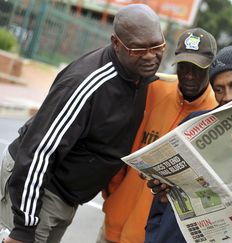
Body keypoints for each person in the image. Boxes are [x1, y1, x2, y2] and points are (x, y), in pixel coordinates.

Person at [0, 4, 165, 243]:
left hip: (65, 196)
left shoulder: (138, 75)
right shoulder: (87, 85)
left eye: (157, 46)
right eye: (138, 49)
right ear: (116, 43)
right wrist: (23, 227)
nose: (150, 55)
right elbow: (39, 152)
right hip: (36, 189)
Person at [98, 27, 218, 243]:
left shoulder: (216, 112)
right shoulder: (154, 89)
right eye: (184, 66)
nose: (189, 75)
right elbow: (122, 142)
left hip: (150, 236)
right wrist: (113, 195)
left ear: (211, 67)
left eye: (198, 68)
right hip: (111, 228)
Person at [145, 44, 232, 243]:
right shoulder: (193, 122)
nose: (228, 97)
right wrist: (161, 191)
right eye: (219, 89)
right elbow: (161, 201)